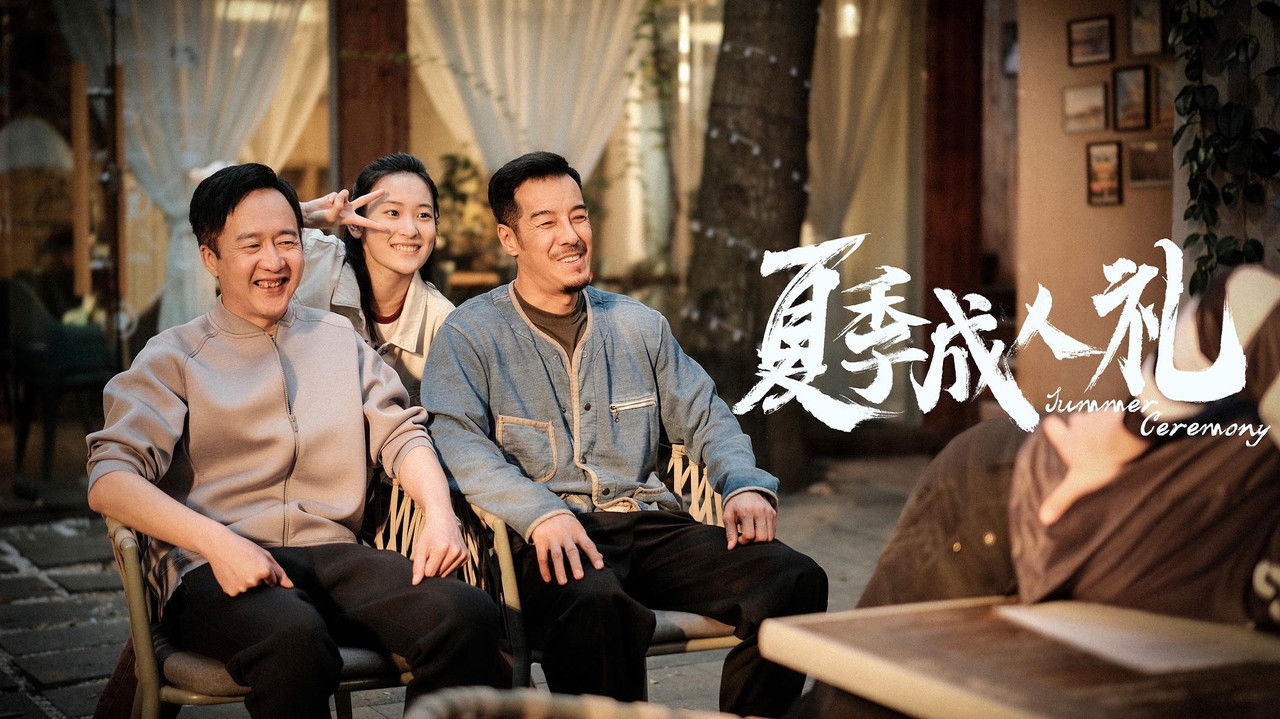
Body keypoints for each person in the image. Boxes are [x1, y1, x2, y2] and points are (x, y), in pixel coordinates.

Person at [422, 151, 828, 718]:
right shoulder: (470, 334)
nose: (571, 235)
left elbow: (705, 413)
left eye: (579, 216)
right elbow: (460, 443)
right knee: (597, 605)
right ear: (509, 239)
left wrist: (742, 483)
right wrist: (541, 513)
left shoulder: (639, 325)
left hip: (647, 526)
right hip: (546, 541)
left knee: (795, 579)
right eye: (547, 222)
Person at [86, 163, 500, 718]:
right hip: (213, 571)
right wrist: (218, 544)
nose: (275, 262)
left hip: (333, 556)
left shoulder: (338, 339)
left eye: (287, 241)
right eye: (251, 245)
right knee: (294, 640)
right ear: (211, 258)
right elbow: (110, 481)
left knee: (467, 615)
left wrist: (439, 514)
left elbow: (402, 433)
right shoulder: (173, 357)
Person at [295, 152, 455, 401]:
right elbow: (233, 219)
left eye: (423, 215)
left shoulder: (442, 321)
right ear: (355, 224)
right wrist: (304, 216)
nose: (410, 230)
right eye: (393, 213)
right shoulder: (313, 259)